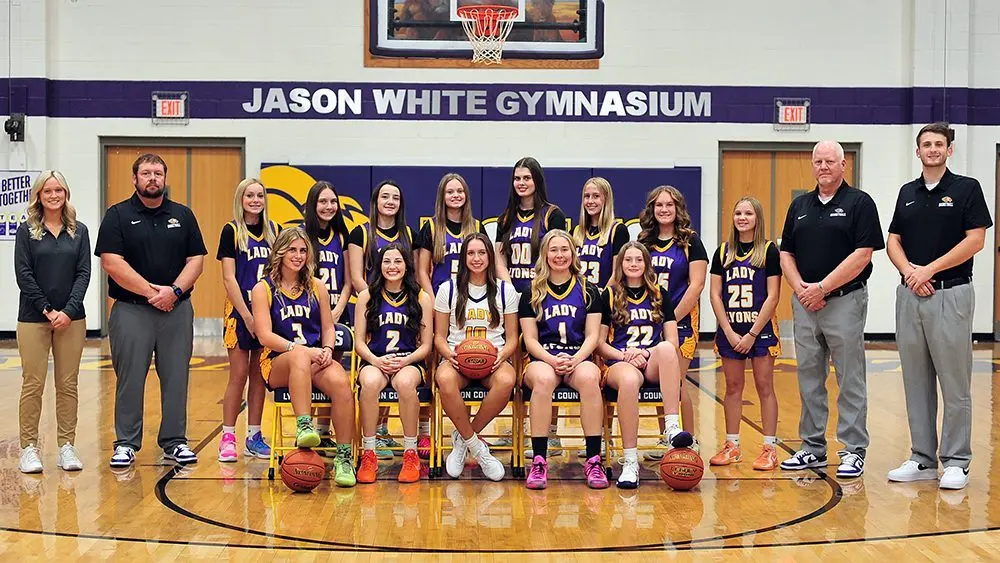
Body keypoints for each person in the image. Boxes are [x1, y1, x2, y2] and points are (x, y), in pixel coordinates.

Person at [886, 123, 992, 490]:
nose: (932, 149)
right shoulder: (907, 192)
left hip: (951, 294)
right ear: (917, 152)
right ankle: (922, 458)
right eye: (926, 144)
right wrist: (909, 273)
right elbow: (893, 240)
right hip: (910, 294)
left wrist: (928, 270)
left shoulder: (966, 189)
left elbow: (976, 240)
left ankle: (957, 460)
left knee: (955, 381)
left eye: (938, 144)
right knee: (915, 380)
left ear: (949, 151)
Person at [778, 140, 884, 478]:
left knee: (849, 377)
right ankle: (812, 448)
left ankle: (853, 450)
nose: (823, 167)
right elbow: (786, 253)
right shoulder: (800, 205)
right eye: (818, 161)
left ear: (843, 166)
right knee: (810, 377)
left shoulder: (859, 203)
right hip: (804, 302)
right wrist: (801, 289)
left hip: (845, 301)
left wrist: (823, 288)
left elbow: (863, 254)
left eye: (830, 161)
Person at [95, 153, 206, 469]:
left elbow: (196, 260)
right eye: (146, 173)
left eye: (158, 172)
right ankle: (126, 444)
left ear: (165, 178)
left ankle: (175, 442)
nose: (152, 178)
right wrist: (151, 293)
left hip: (177, 309)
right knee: (130, 378)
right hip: (131, 311)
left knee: (176, 377)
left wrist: (173, 292)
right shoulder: (117, 215)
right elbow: (111, 262)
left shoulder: (183, 216)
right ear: (135, 179)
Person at [251, 228, 356, 487]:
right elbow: (264, 336)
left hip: (313, 358)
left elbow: (329, 326)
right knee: (297, 355)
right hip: (277, 362)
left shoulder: (316, 286)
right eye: (292, 250)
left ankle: (344, 457)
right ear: (280, 252)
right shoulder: (262, 288)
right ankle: (304, 426)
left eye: (302, 250)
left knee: (342, 382)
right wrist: (304, 351)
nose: (298, 256)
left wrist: (328, 350)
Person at [597, 242, 694, 489]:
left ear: (647, 264)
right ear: (620, 265)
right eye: (628, 260)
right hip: (618, 363)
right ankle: (630, 462)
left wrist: (644, 352)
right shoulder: (608, 295)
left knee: (666, 348)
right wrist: (625, 356)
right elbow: (599, 344)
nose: (633, 264)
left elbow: (672, 340)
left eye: (638, 260)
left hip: (649, 360)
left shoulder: (661, 294)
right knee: (629, 380)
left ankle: (672, 427)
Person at [15, 170, 91, 473]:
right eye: (48, 191)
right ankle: (29, 448)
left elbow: (83, 273)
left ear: (66, 193)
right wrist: (47, 309)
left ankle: (66, 447)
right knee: (32, 384)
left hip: (71, 320)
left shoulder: (80, 231)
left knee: (67, 385)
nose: (54, 195)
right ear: (38, 195)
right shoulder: (27, 231)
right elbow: (24, 275)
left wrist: (68, 311)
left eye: (59, 190)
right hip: (34, 318)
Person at [519, 230, 605, 489]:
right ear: (545, 255)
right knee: (544, 380)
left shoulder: (588, 289)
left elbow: (593, 336)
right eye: (554, 250)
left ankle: (593, 460)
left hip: (577, 357)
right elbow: (530, 339)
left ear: (573, 253)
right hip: (542, 359)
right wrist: (552, 360)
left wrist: (577, 358)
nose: (559, 255)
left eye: (564, 249)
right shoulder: (532, 291)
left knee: (591, 377)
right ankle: (539, 460)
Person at [495, 156, 567, 456]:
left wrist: (541, 284)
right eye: (517, 178)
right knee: (514, 364)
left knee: (547, 360)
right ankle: (517, 427)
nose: (521, 183)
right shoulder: (507, 216)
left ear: (537, 180)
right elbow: (499, 254)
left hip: (544, 295)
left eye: (526, 177)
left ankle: (550, 434)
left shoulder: (553, 214)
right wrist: (507, 285)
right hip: (514, 297)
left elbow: (558, 252)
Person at [434, 233, 518, 481]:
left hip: (494, 359)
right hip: (457, 359)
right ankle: (479, 449)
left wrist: (501, 356)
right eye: (471, 253)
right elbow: (439, 336)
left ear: (490, 257)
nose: (477, 258)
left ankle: (462, 439)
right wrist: (450, 354)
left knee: (506, 381)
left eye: (482, 253)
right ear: (463, 258)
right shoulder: (447, 289)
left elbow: (512, 337)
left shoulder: (505, 291)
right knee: (445, 379)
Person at [708, 197, 782, 471]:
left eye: (748, 213)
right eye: (738, 212)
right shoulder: (722, 252)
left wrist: (752, 333)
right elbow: (714, 294)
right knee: (733, 388)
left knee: (765, 387)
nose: (742, 217)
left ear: (757, 218)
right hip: (730, 330)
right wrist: (727, 330)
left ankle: (770, 448)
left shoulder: (769, 251)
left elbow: (773, 296)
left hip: (759, 331)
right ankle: (732, 445)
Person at [348, 180, 419, 458]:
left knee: (398, 365)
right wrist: (377, 300)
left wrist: (398, 302)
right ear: (376, 200)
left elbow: (410, 274)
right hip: (372, 305)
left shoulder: (410, 235)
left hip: (402, 303)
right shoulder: (361, 233)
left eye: (395, 197)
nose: (390, 201)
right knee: (376, 365)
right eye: (385, 196)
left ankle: (384, 431)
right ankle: (371, 439)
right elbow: (355, 276)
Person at [353, 244, 433, 483]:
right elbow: (358, 342)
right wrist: (376, 360)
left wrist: (405, 360)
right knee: (368, 382)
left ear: (407, 264)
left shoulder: (421, 297)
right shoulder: (367, 296)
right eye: (387, 262)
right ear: (379, 266)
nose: (392, 267)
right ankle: (369, 452)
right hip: (375, 360)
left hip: (409, 361)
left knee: (407, 383)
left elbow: (426, 345)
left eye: (398, 261)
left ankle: (410, 453)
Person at [637, 186, 707, 458]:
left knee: (677, 382)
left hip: (681, 321)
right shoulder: (645, 241)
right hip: (649, 322)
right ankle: (667, 437)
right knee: (660, 383)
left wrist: (671, 316)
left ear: (678, 208)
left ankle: (689, 440)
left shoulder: (691, 241)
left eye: (669, 205)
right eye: (658, 205)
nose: (664, 209)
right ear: (651, 209)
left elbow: (697, 284)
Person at [217, 178, 278, 462]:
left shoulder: (273, 230)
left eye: (260, 195)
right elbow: (229, 277)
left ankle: (254, 435)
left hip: (266, 309)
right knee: (238, 375)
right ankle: (228, 436)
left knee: (259, 375)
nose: (255, 200)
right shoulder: (231, 231)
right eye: (249, 195)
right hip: (239, 311)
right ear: (240, 199)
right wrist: (246, 314)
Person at [302, 180, 353, 456]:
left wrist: (336, 311)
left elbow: (348, 282)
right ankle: (306, 430)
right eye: (323, 201)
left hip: (337, 313)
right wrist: (322, 314)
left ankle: (322, 432)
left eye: (333, 202)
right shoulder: (301, 235)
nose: (328, 207)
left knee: (330, 370)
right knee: (310, 371)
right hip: (309, 316)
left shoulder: (341, 236)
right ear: (313, 204)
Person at [416, 173, 487, 297]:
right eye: (450, 192)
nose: (456, 195)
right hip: (440, 296)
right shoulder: (431, 227)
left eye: (460, 191)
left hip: (470, 296)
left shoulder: (476, 227)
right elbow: (422, 271)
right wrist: (432, 300)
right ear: (442, 197)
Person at [572, 177, 629, 288]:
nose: (590, 201)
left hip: (604, 300)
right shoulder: (575, 232)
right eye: (587, 196)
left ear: (606, 199)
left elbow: (617, 274)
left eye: (596, 196)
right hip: (579, 300)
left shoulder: (618, 231)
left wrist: (601, 299)